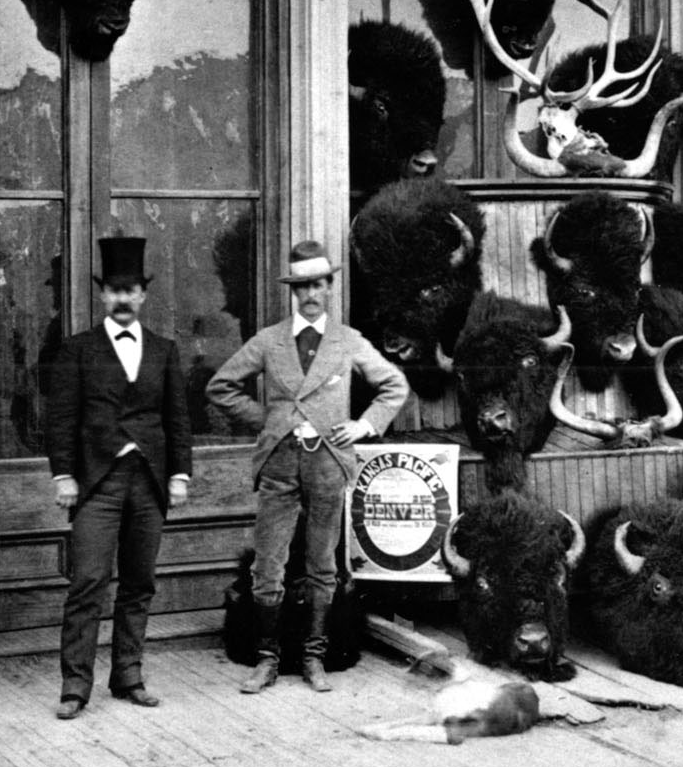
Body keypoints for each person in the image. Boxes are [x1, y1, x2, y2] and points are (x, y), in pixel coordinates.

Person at [205, 239, 410, 694]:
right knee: (268, 564)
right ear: (292, 291)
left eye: (318, 284)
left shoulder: (348, 341)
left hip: (328, 464)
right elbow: (221, 387)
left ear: (330, 286)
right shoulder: (270, 340)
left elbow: (394, 386)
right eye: (302, 286)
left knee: (322, 565)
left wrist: (364, 425)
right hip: (280, 464)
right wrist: (272, 422)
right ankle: (266, 658)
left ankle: (315, 656)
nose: (311, 294)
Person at [44, 236, 193, 720]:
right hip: (97, 483)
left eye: (131, 290)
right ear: (103, 295)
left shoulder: (164, 350)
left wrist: (180, 475)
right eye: (114, 290)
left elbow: (178, 420)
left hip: (149, 481)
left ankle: (128, 674)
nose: (123, 299)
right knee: (88, 580)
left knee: (139, 582)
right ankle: (75, 685)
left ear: (144, 295)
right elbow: (61, 419)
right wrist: (64, 474)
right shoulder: (77, 350)